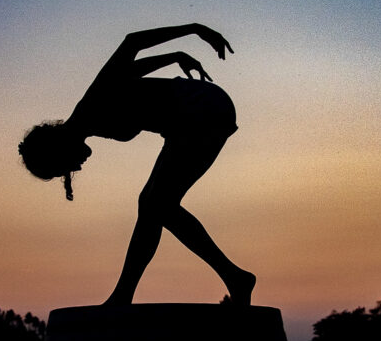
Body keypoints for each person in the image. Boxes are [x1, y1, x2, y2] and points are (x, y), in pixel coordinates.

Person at [19, 23, 256, 305]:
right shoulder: (92, 114)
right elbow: (131, 74)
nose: (76, 169)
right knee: (152, 204)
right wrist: (175, 56)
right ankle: (231, 278)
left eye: (65, 167)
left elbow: (131, 42)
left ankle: (130, 294)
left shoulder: (93, 104)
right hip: (191, 117)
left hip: (201, 109)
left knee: (157, 205)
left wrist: (195, 30)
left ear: (58, 149)